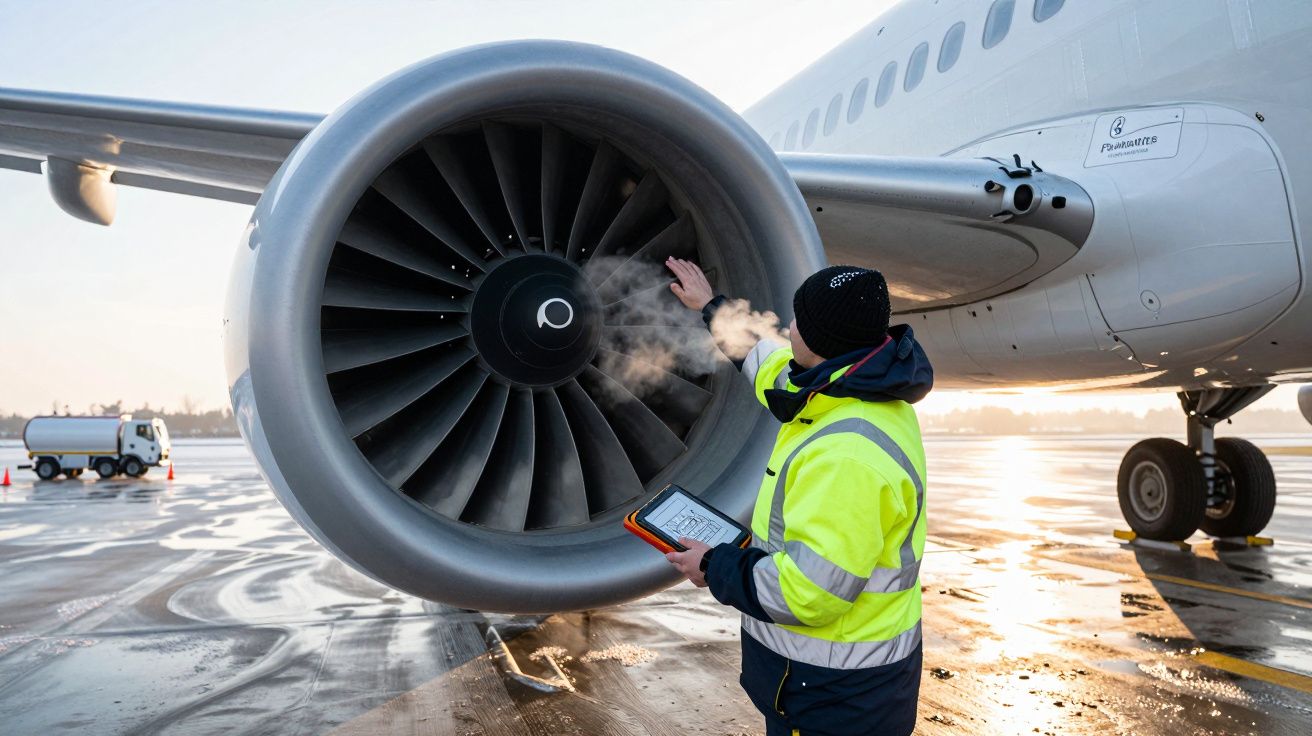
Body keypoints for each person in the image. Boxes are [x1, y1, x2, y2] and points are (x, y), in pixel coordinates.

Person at [662, 257, 933, 736]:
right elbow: (766, 364)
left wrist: (713, 566)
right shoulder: (849, 386)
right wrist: (711, 307)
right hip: (835, 684)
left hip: (835, 696)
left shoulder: (848, 455)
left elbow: (810, 594)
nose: (788, 328)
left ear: (823, 341)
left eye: (798, 322)